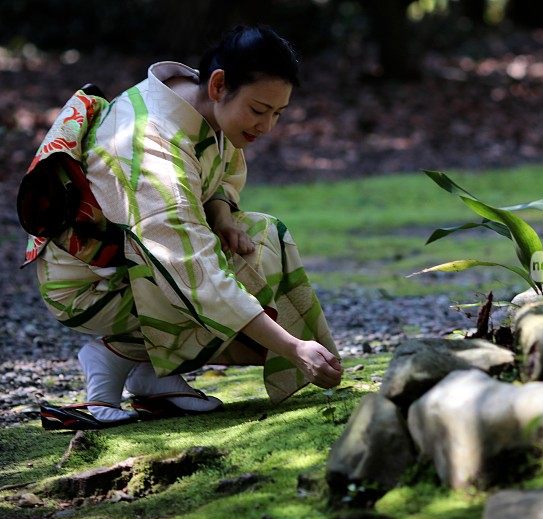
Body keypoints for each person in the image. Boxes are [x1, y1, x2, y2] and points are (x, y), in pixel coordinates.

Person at [17, 26, 343, 429]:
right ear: (220, 84)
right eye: (258, 110)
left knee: (261, 237)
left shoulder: (197, 103)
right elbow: (188, 265)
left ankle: (154, 376)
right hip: (89, 284)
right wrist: (293, 347)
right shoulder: (148, 141)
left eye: (277, 113)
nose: (267, 126)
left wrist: (222, 213)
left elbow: (220, 176)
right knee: (227, 270)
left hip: (129, 261)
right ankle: (114, 359)